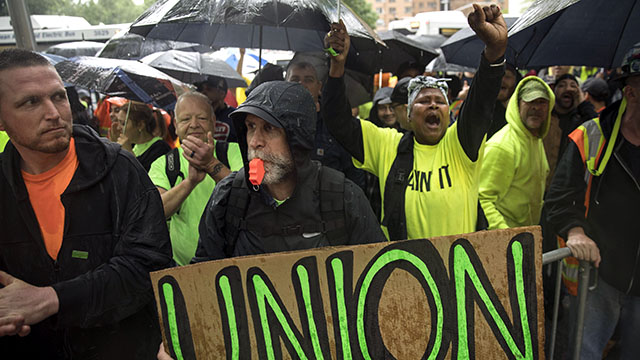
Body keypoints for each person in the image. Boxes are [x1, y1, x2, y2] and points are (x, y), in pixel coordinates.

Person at [0, 49, 172, 358]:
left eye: (59, 96)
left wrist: (51, 299)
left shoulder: (119, 169)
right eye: (31, 102)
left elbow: (149, 268)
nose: (54, 112)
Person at [322, 4, 507, 240]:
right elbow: (338, 121)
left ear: (448, 112)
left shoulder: (460, 144)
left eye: (439, 102)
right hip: (404, 272)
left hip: (458, 272)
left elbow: (481, 101)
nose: (432, 105)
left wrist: (495, 50)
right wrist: (337, 66)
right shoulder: (387, 145)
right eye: (424, 101)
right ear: (408, 114)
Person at [192, 81, 385, 261]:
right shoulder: (230, 197)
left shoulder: (342, 197)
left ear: (297, 138)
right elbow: (201, 278)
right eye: (251, 127)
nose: (254, 141)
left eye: (269, 128)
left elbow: (379, 274)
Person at [544, 43, 640, 360]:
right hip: (601, 277)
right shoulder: (590, 136)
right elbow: (558, 198)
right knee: (584, 353)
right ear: (630, 93)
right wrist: (575, 231)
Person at [149, 92, 243, 265]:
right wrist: (189, 182)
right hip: (184, 269)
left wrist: (210, 164)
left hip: (234, 264)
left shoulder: (235, 152)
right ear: (176, 125)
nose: (194, 125)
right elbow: (155, 213)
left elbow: (246, 197)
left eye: (201, 118)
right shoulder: (164, 164)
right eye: (185, 120)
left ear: (214, 123)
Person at [479, 77, 555, 229]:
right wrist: (507, 236)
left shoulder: (536, 140)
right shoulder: (502, 146)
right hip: (506, 241)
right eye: (530, 101)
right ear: (518, 104)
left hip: (526, 236)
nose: (536, 108)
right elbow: (482, 199)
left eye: (542, 102)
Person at [286, 60, 366, 190]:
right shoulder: (276, 124)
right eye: (295, 80)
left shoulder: (336, 125)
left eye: (308, 80)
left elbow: (354, 174)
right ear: (285, 86)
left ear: (319, 87)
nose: (301, 84)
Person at [544, 73, 598, 182]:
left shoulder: (581, 121)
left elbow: (596, 128)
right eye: (562, 85)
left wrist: (583, 103)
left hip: (567, 185)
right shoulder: (545, 116)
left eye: (573, 86)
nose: (568, 89)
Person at [108, 98, 171, 171]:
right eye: (118, 122)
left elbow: (145, 178)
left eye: (123, 123)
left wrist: (129, 154)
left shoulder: (160, 148)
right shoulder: (132, 144)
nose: (118, 128)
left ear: (140, 125)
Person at [195, 75, 237, 142]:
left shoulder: (235, 117)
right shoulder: (194, 114)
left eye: (209, 89)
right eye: (200, 89)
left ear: (222, 93)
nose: (203, 93)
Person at [487, 63, 522, 139]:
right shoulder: (484, 110)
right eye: (498, 76)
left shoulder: (522, 112)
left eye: (507, 77)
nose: (502, 80)